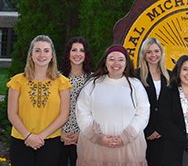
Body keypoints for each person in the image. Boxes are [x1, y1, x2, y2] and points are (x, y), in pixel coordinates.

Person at [76, 45, 150, 166]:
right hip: (95, 149)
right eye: (111, 59)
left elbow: (143, 114)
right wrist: (98, 137)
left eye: (120, 59)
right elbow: (82, 112)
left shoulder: (135, 85)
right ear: (105, 62)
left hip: (129, 149)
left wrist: (126, 137)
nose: (116, 63)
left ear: (126, 63)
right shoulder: (92, 84)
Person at [7, 35, 71, 166]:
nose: (42, 55)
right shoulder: (18, 81)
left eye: (46, 51)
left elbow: (64, 115)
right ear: (31, 55)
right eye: (37, 50)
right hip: (21, 139)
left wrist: (41, 137)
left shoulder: (62, 82)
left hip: (50, 141)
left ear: (52, 55)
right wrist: (28, 136)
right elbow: (12, 114)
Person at [58, 37, 93, 166]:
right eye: (74, 50)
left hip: (83, 137)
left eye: (81, 51)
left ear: (86, 55)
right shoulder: (57, 78)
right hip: (58, 135)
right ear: (68, 53)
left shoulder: (92, 80)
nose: (77, 54)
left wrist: (81, 134)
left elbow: (94, 111)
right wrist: (60, 133)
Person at [137, 38, 170, 166]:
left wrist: (161, 129)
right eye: (149, 52)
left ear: (161, 53)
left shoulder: (170, 76)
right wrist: (147, 130)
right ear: (144, 54)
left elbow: (172, 108)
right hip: (143, 134)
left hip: (165, 135)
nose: (153, 55)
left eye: (156, 51)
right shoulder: (136, 76)